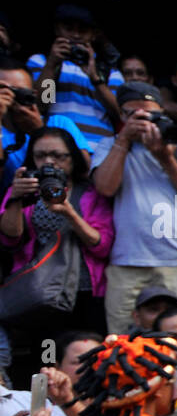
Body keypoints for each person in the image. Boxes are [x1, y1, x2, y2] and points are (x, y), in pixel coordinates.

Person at [91, 81, 177, 332]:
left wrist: (166, 158)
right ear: (121, 115)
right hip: (128, 264)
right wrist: (124, 139)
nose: (143, 120)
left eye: (150, 114)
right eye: (133, 114)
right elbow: (105, 188)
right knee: (123, 341)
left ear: (161, 113)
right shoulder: (109, 146)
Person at [0, 126, 114, 332]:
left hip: (85, 288)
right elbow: (10, 239)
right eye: (41, 155)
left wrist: (69, 212)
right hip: (37, 290)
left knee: (86, 352)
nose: (49, 162)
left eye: (58, 156)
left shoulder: (90, 192)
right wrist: (15, 198)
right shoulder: (22, 190)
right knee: (45, 356)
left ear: (73, 157)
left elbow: (102, 246)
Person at [27, 5, 123, 151]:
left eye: (83, 30)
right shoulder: (41, 62)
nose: (76, 35)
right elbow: (41, 104)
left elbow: (120, 114)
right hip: (56, 148)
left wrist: (95, 79)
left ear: (93, 34)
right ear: (57, 30)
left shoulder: (110, 72)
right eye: (69, 29)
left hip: (99, 150)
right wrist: (52, 65)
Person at [0, 58, 92, 192]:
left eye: (18, 91)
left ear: (33, 93)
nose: (11, 96)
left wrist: (39, 131)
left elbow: (84, 170)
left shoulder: (59, 123)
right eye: (3, 90)